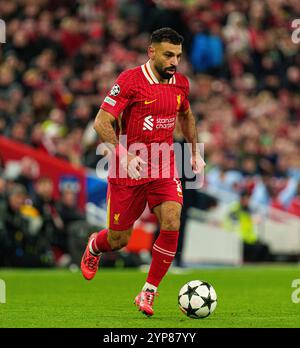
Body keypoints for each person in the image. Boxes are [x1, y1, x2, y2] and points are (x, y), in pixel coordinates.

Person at [80, 28, 205, 317]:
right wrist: (122, 155)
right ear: (151, 52)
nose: (174, 62)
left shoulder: (180, 84)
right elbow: (101, 123)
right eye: (168, 55)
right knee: (118, 240)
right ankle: (95, 246)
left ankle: (148, 291)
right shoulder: (129, 81)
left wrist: (195, 153)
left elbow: (186, 114)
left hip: (163, 164)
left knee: (172, 219)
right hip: (129, 170)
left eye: (178, 56)